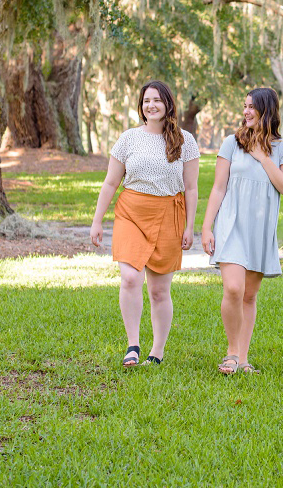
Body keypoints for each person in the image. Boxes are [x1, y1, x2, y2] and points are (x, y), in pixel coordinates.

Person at [90, 80, 199, 367]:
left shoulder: (185, 140)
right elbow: (111, 181)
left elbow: (191, 187)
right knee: (130, 278)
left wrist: (190, 227)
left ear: (168, 105)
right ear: (141, 105)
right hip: (131, 214)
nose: (151, 105)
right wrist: (97, 221)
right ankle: (133, 345)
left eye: (157, 100)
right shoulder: (128, 139)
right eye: (146, 100)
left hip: (168, 215)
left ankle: (157, 351)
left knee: (159, 290)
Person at [202, 88, 283, 375]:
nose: (246, 112)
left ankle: (243, 359)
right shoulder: (232, 143)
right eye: (244, 106)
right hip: (231, 224)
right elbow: (218, 187)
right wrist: (206, 227)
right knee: (233, 288)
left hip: (260, 228)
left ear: (267, 110)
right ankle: (231, 353)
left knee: (249, 296)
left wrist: (263, 157)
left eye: (252, 107)